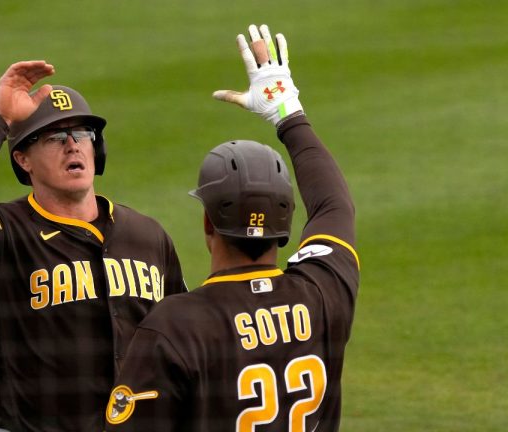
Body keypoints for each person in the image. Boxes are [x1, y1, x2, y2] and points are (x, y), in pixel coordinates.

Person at [104, 24, 359, 432]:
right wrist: (288, 112)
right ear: (284, 224)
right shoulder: (325, 294)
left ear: (208, 222)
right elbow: (335, 205)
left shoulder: (173, 325)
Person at [0, 60, 187, 432]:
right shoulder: (0, 235)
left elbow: (180, 340)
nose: (73, 145)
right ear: (22, 159)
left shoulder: (146, 235)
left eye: (82, 134)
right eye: (55, 138)